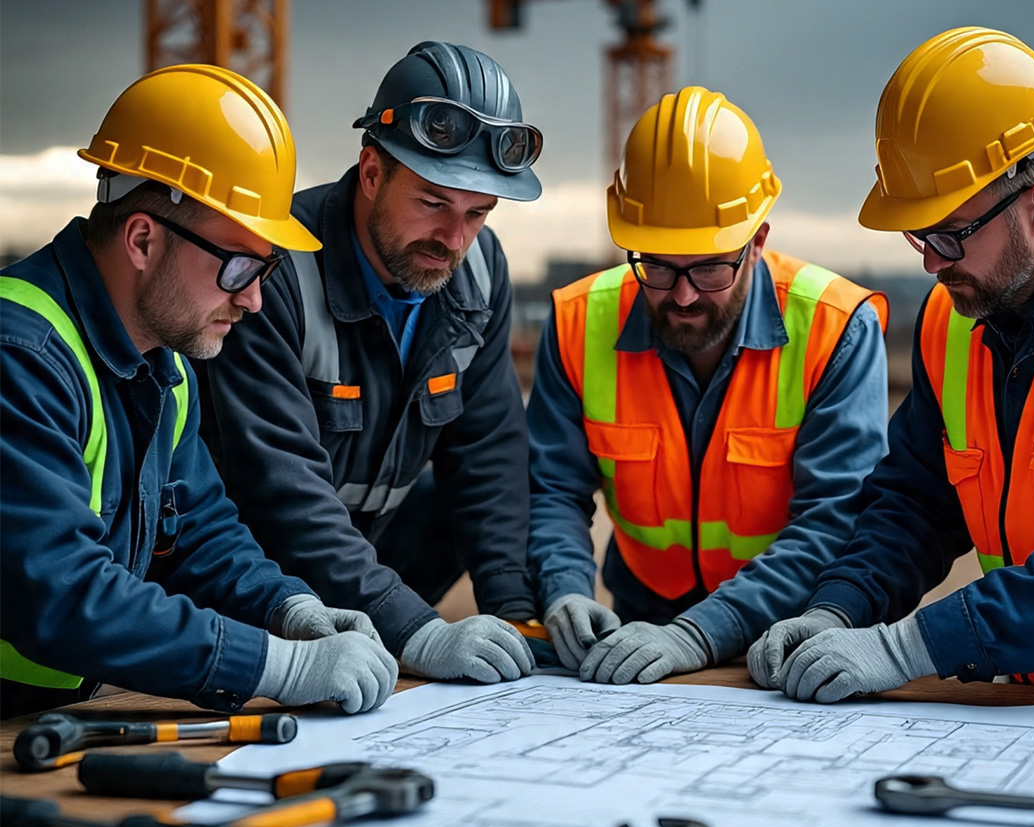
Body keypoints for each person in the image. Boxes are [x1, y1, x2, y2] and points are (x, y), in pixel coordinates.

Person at [749, 26, 1034, 701]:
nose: (930, 262)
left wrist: (910, 646)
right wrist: (838, 609)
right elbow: (915, 503)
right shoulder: (954, 315)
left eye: (948, 235)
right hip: (1029, 702)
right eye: (917, 236)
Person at [0, 64, 399, 719]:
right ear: (142, 239)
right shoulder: (22, 354)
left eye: (267, 267)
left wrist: (289, 609)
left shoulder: (164, 364)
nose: (253, 298)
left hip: (41, 716)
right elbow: (59, 591)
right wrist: (277, 665)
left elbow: (202, 535)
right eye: (239, 265)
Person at [197, 42, 539, 685]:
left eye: (478, 214)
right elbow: (282, 488)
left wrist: (515, 614)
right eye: (434, 203)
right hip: (255, 579)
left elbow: (489, 458)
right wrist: (416, 630)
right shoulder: (274, 269)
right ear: (373, 172)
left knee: (458, 491)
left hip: (372, 558)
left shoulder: (481, 273)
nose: (455, 239)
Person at [528, 86, 891, 684]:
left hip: (788, 638)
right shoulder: (577, 322)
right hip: (637, 620)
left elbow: (834, 520)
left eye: (710, 268)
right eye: (659, 266)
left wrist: (699, 633)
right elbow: (552, 491)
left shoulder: (835, 329)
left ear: (759, 243)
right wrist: (565, 590)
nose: (684, 294)